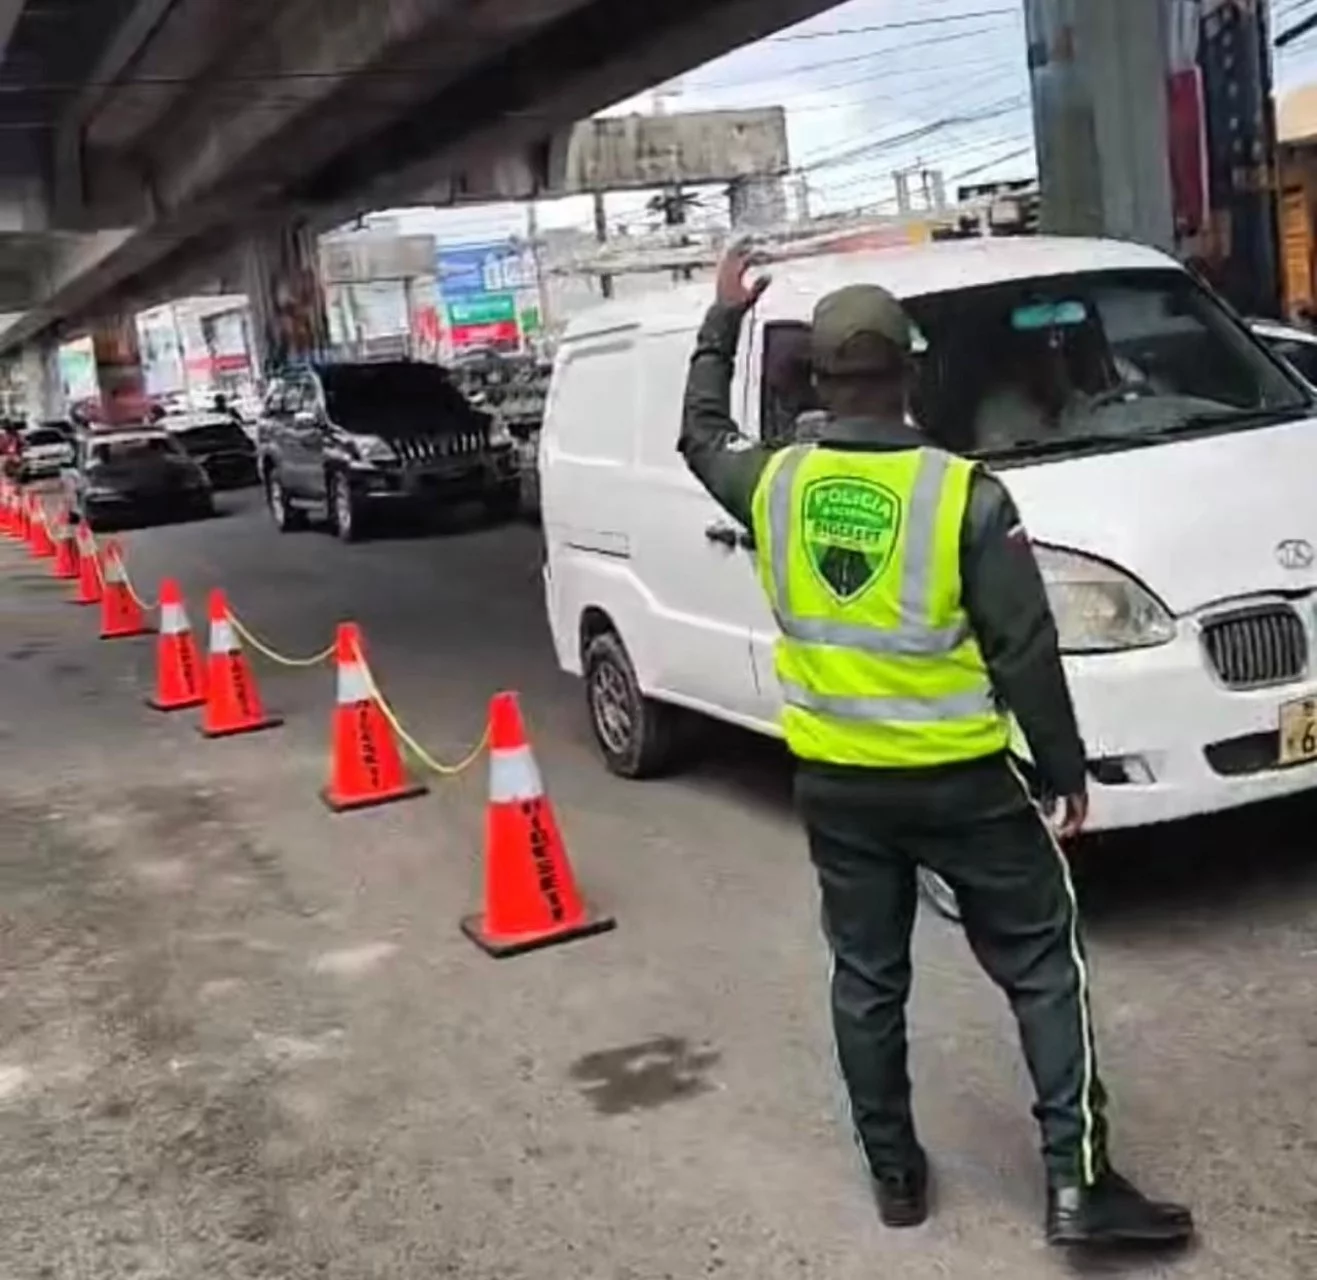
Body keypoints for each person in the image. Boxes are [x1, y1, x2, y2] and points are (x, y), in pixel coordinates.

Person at [678, 242, 1193, 1249]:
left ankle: (896, 1178)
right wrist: (1064, 769)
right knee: (1044, 961)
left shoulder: (773, 484)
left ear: (819, 380)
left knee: (867, 978)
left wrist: (723, 318)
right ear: (908, 373)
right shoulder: (965, 494)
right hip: (962, 781)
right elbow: (1024, 643)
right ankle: (1077, 1183)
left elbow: (698, 435)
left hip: (837, 785)